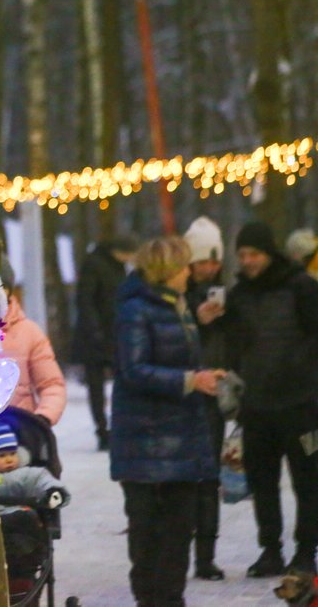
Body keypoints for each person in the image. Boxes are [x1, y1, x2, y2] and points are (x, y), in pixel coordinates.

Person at [198, 221, 318, 577]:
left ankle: (306, 551)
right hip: (257, 406)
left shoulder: (303, 288)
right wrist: (209, 322)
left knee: (308, 480)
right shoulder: (239, 295)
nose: (248, 261)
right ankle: (270, 550)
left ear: (269, 253)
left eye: (254, 254)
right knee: (262, 483)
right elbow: (228, 344)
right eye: (243, 255)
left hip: (304, 406)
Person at [112, 235, 223, 607]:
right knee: (149, 538)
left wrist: (200, 326)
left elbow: (169, 353)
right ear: (168, 270)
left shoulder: (177, 305)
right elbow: (134, 369)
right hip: (145, 442)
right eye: (185, 265)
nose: (191, 273)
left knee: (177, 535)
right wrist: (191, 381)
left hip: (179, 438)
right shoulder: (135, 310)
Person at [0, 418, 70, 601]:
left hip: (17, 524)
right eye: (1, 455)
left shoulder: (27, 474)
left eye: (12, 453)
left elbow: (43, 481)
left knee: (25, 522)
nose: (9, 459)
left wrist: (53, 492)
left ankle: (20, 583)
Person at [182, 216, 228, 581]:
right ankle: (183, 552)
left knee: (209, 478)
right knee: (185, 480)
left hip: (213, 398)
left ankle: (206, 556)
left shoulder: (226, 296)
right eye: (202, 261)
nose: (208, 268)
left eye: (214, 261)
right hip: (183, 397)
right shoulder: (177, 298)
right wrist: (197, 321)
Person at [71, 234, 139, 450]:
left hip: (113, 333)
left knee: (115, 383)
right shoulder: (96, 265)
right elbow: (86, 299)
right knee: (97, 386)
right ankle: (103, 430)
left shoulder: (116, 267)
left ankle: (117, 427)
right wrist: (96, 330)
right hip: (97, 336)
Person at [0, 261, 66, 425]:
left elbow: (51, 384)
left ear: (8, 290)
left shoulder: (29, 333)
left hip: (19, 431)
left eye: (0, 286)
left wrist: (42, 418)